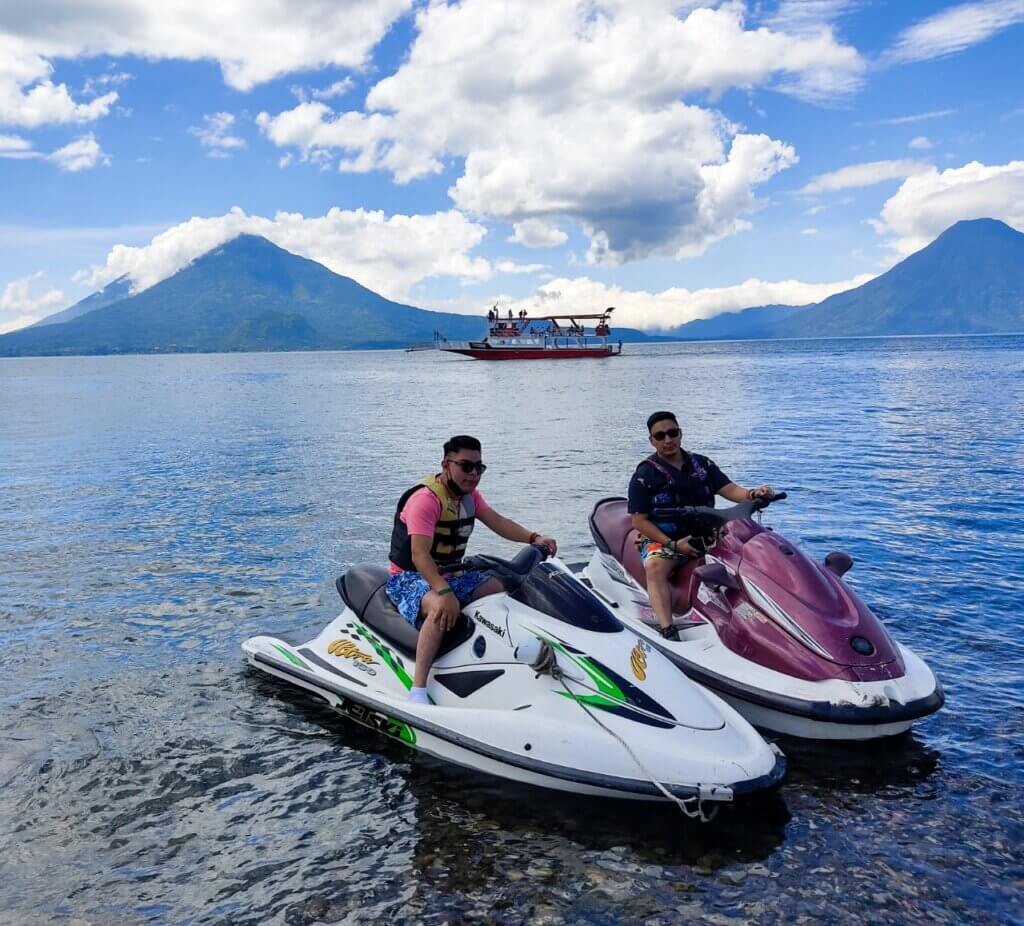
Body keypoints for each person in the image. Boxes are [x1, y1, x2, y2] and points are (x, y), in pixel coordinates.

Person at [387, 435, 557, 704]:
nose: (474, 474)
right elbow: (419, 556)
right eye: (466, 466)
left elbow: (498, 521)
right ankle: (418, 688)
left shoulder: (469, 497)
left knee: (498, 588)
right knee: (441, 609)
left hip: (451, 571)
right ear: (446, 464)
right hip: (410, 577)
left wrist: (533, 537)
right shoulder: (426, 500)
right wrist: (443, 592)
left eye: (479, 467)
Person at [628, 411, 773, 641]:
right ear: (652, 440)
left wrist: (754, 493)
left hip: (708, 533)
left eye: (672, 433)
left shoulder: (703, 464)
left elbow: (731, 490)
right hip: (664, 538)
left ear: (680, 434)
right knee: (656, 568)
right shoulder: (644, 475)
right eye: (660, 435)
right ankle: (667, 628)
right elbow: (639, 520)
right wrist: (673, 545)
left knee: (753, 555)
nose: (668, 440)